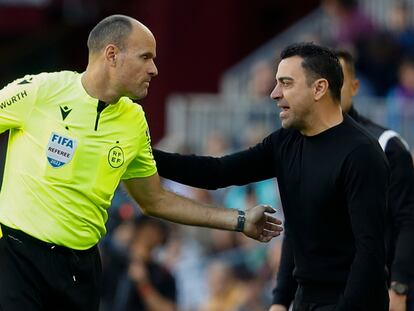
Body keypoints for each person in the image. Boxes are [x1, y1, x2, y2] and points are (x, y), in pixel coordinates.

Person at [0, 14, 283, 311]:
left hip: (81, 268)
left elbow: (154, 200)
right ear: (112, 55)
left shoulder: (134, 121)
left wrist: (238, 220)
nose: (154, 69)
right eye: (145, 57)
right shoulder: (40, 91)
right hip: (18, 257)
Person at [153, 42, 390, 310]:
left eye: (286, 83)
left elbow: (369, 253)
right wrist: (145, 156)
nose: (275, 94)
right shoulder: (285, 143)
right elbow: (217, 172)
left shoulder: (361, 154)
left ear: (319, 88)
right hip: (303, 299)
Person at [271, 50, 414, 311]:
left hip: (376, 291)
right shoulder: (301, 142)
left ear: (353, 86)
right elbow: (297, 226)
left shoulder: (386, 144)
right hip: (313, 296)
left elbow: (407, 221)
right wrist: (281, 298)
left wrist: (399, 286)